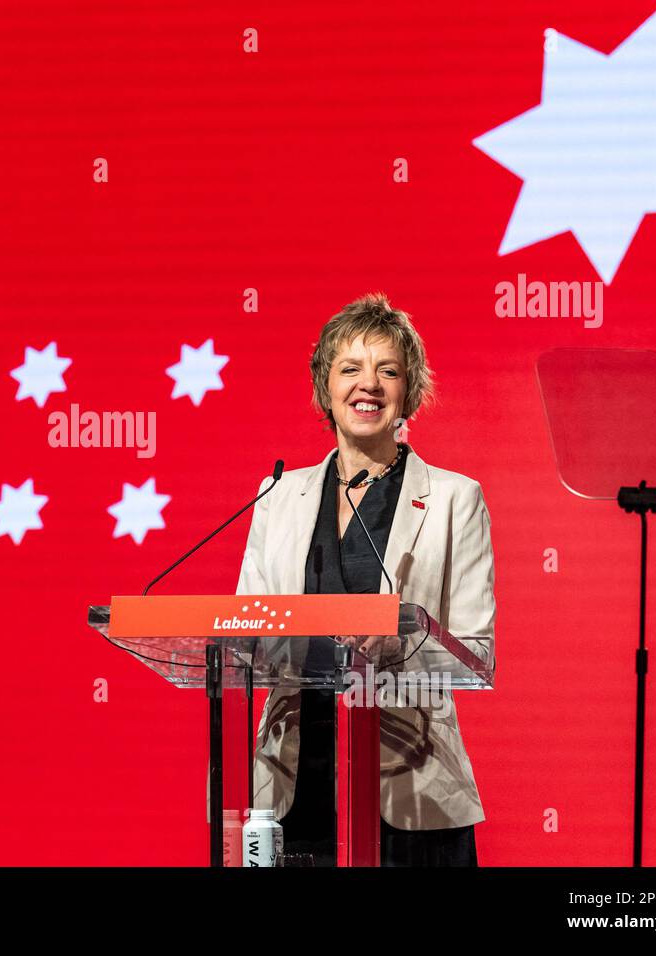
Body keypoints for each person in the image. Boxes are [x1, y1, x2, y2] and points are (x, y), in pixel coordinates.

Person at [236, 292, 497, 866]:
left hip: (413, 786)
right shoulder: (276, 497)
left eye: (388, 371)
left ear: (409, 390)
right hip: (292, 781)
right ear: (324, 388)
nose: (368, 385)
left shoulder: (457, 498)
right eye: (349, 368)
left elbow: (476, 651)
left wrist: (401, 640)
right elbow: (245, 634)